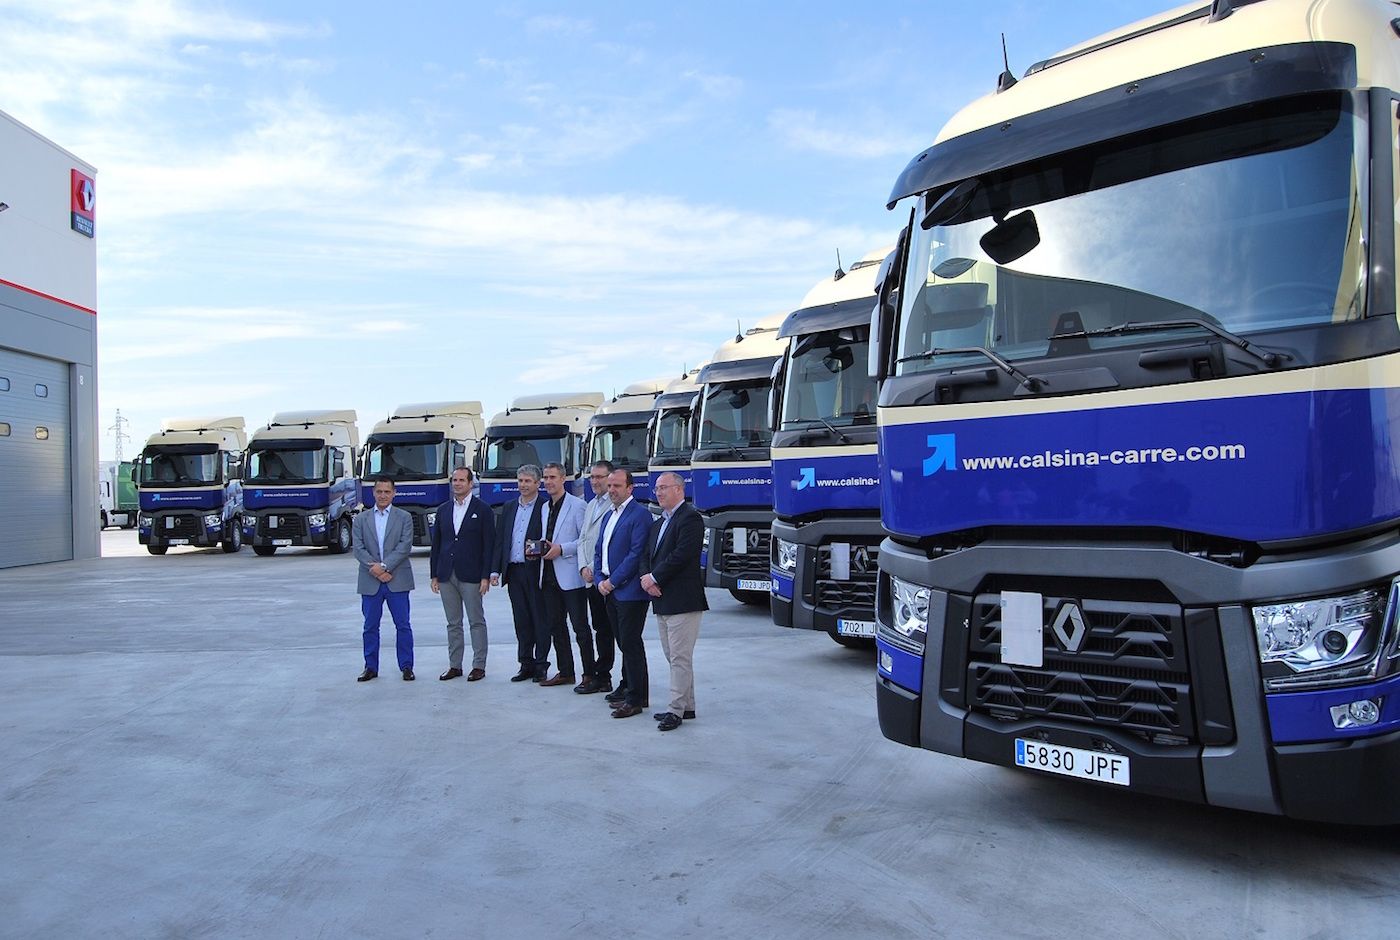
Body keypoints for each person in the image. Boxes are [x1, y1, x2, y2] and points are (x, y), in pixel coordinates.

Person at [642, 472, 708, 731]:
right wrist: (647, 578)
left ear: (679, 489)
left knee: (680, 657)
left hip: (683, 599)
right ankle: (687, 705)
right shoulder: (659, 523)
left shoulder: (690, 518)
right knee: (673, 656)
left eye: (664, 488)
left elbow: (683, 555)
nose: (658, 493)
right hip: (661, 598)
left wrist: (655, 577)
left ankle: (675, 709)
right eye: (656, 488)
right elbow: (647, 555)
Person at [594, 469, 653, 718]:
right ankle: (628, 685)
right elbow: (599, 550)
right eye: (610, 486)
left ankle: (636, 698)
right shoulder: (609, 515)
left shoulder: (640, 515)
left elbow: (636, 554)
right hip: (609, 590)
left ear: (630, 488)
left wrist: (613, 581)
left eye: (617, 486)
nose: (612, 490)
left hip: (629, 591)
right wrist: (600, 579)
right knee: (623, 643)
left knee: (631, 644)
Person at [429, 466, 494, 681]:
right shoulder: (443, 509)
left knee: (476, 621)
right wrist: (434, 574)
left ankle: (479, 665)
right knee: (453, 623)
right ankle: (455, 665)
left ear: (470, 483)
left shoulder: (483, 510)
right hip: (446, 574)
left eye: (461, 480)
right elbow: (437, 544)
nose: (457, 484)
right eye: (454, 480)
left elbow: (488, 545)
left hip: (472, 574)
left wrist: (485, 576)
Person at [352, 476, 416, 681]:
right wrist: (377, 570)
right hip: (370, 580)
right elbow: (358, 548)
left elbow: (404, 546)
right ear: (373, 493)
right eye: (379, 491)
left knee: (403, 625)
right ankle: (370, 667)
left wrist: (385, 566)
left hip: (397, 579)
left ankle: (406, 666)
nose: (382, 495)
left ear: (394, 493)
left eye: (387, 492)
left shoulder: (404, 517)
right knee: (370, 626)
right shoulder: (361, 519)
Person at [490, 464, 549, 682]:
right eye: (520, 481)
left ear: (537, 483)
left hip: (535, 571)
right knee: (521, 620)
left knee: (539, 619)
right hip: (514, 571)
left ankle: (541, 664)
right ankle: (526, 664)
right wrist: (495, 570)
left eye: (527, 481)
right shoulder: (509, 507)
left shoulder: (545, 506)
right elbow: (500, 539)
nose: (523, 485)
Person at [537, 462, 592, 687]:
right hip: (548, 575)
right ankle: (566, 671)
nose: (548, 482)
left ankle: (589, 673)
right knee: (556, 626)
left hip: (571, 576)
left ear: (563, 479)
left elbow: (584, 540)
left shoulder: (578, 506)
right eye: (545, 478)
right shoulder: (544, 507)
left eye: (552, 477)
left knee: (580, 628)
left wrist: (562, 549)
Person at [575, 460, 615, 694]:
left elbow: (606, 543)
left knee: (609, 630)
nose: (595, 481)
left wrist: (592, 568)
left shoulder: (614, 504)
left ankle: (607, 675)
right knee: (599, 628)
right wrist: (583, 567)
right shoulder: (590, 504)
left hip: (604, 577)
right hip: (589, 578)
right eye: (592, 477)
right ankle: (602, 675)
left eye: (600, 477)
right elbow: (582, 538)